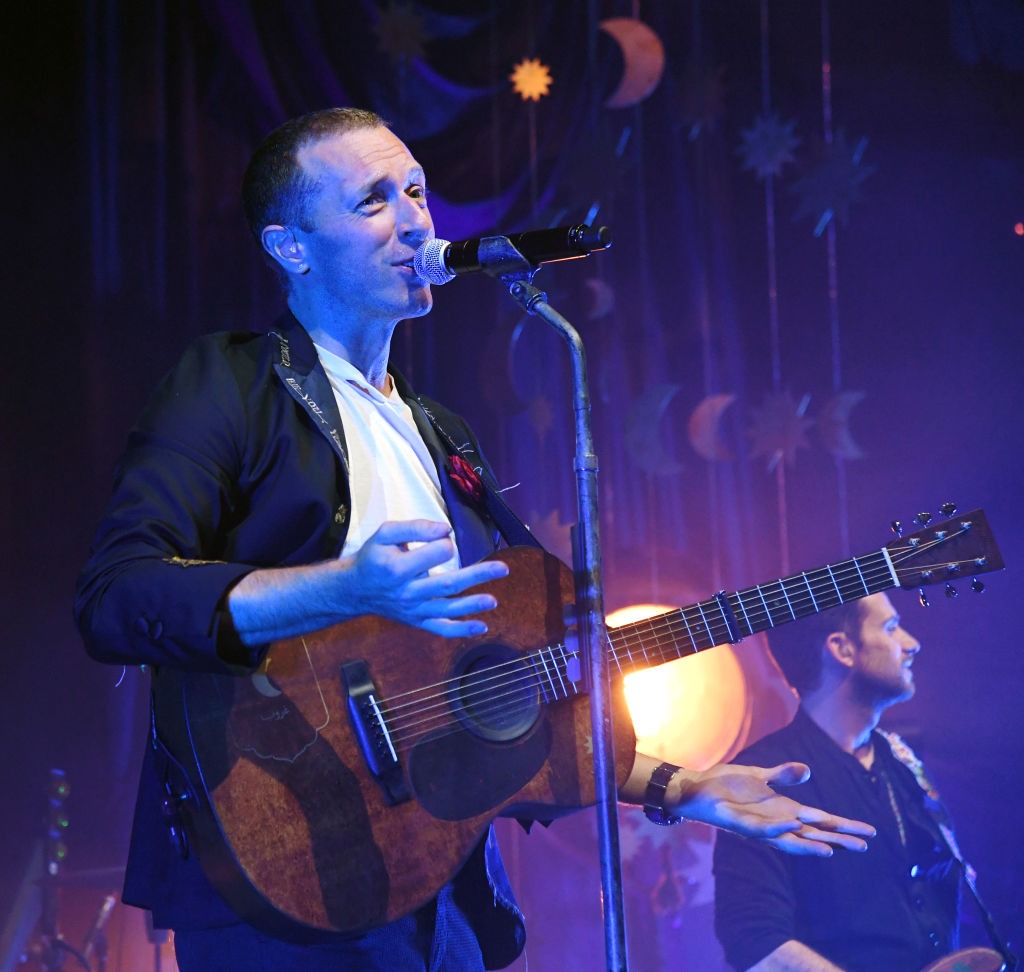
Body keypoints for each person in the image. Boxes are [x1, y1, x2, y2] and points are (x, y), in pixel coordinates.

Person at [75, 107, 874, 971]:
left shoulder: (441, 433)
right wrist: (345, 588)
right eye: (373, 200)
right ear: (291, 247)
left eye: (417, 190)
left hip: (442, 886)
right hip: (282, 873)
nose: (416, 219)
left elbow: (504, 688)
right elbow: (117, 596)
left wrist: (683, 787)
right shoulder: (231, 382)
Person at [713, 594, 963, 972]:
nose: (912, 644)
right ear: (842, 649)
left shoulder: (902, 762)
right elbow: (756, 944)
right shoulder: (760, 776)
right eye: (891, 628)